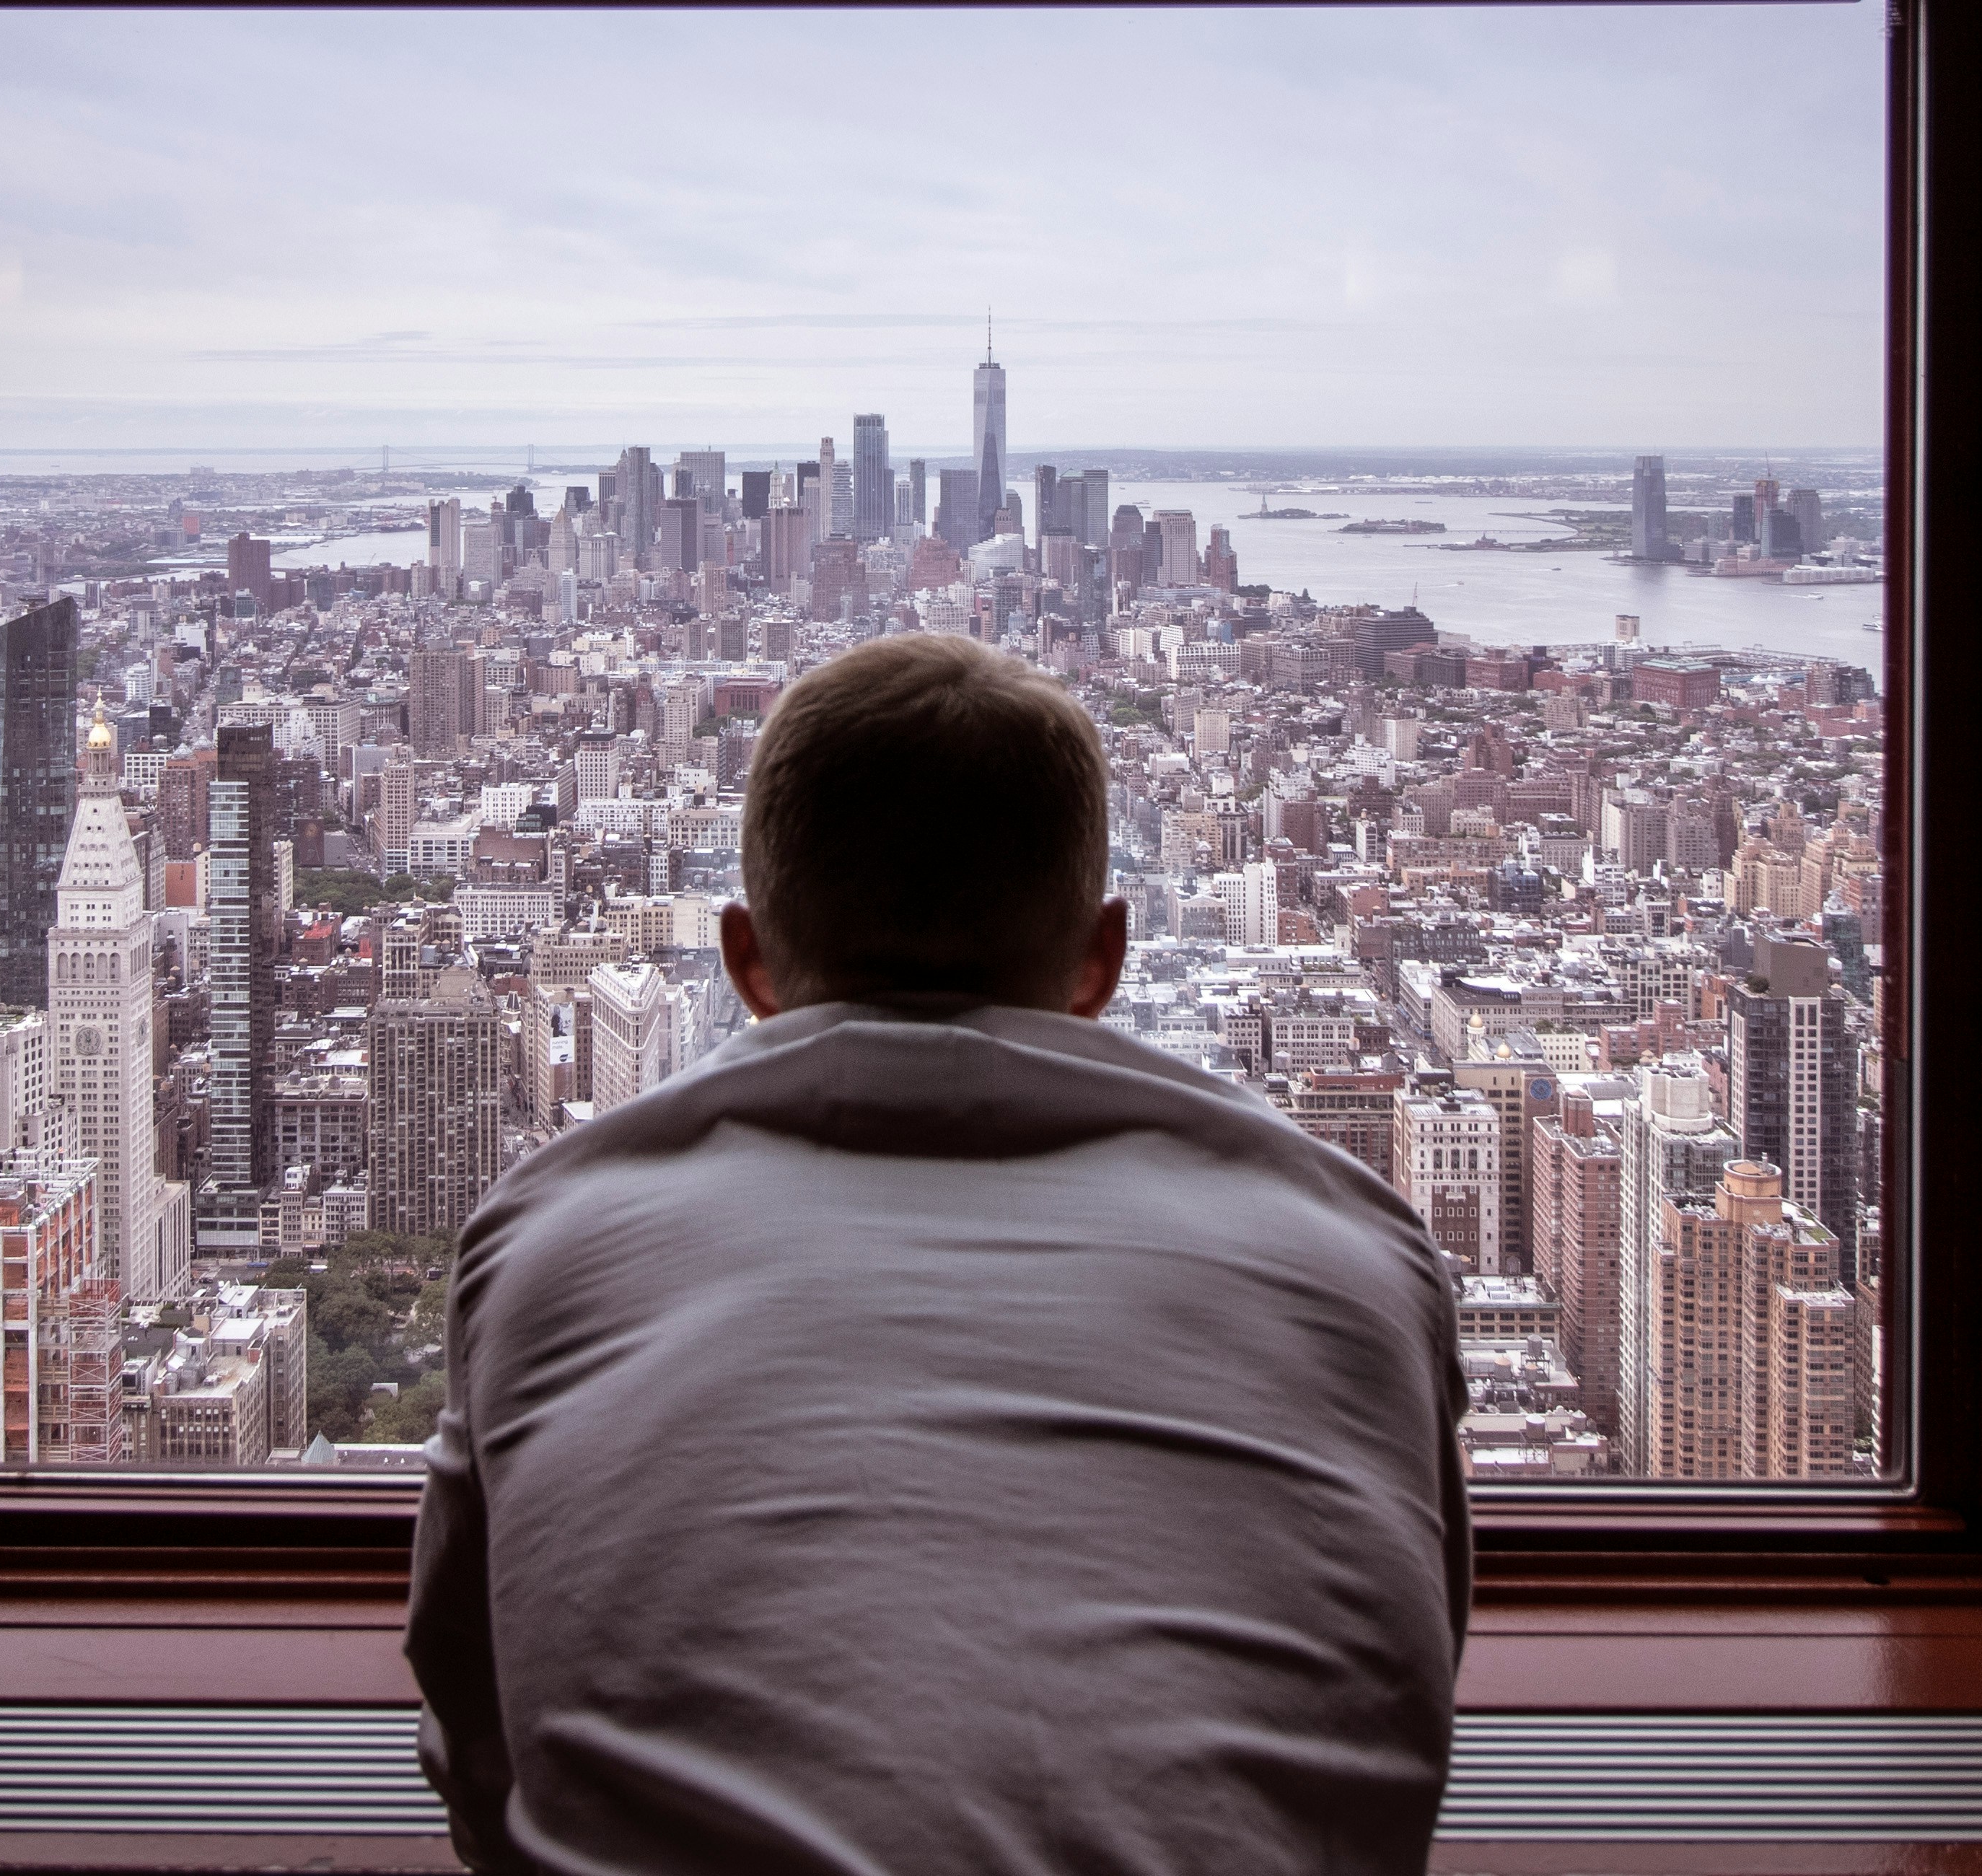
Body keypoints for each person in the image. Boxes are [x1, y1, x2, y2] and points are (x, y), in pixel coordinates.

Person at [406, 634, 1468, 1875]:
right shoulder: (1355, 1259)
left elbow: (473, 1729)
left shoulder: (551, 1244)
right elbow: (1405, 1685)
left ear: (745, 960)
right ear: (1102, 961)